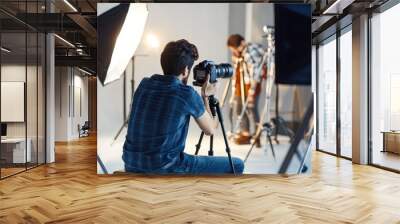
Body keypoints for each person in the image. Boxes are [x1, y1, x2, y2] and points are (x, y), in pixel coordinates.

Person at [123, 39, 244, 174]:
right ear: (186, 70)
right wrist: (206, 96)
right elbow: (210, 129)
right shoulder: (186, 94)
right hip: (167, 167)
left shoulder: (144, 84)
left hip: (131, 163)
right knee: (238, 164)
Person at [227, 34, 266, 146]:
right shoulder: (240, 54)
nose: (234, 51)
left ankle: (257, 135)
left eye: (234, 48)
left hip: (251, 84)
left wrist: (252, 91)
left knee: (251, 108)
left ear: (242, 44)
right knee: (239, 107)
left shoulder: (250, 52)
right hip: (241, 83)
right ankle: (245, 133)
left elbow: (255, 72)